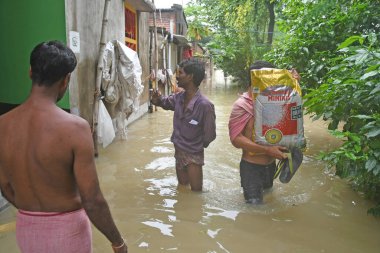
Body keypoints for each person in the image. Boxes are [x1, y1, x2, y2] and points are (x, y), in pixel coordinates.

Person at [0, 41, 127, 253]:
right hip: (68, 232)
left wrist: (34, 214)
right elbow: (92, 199)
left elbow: (5, 187)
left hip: (26, 229)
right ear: (66, 80)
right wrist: (117, 242)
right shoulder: (76, 128)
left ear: (30, 72)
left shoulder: (3, 125)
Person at [228, 60, 300, 204]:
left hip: (271, 165)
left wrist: (294, 84)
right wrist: (267, 150)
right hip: (251, 168)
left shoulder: (274, 101)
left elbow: (293, 119)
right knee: (254, 209)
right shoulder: (242, 105)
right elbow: (236, 139)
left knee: (268, 197)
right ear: (257, 79)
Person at [151, 58, 216, 191]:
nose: (177, 76)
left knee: (196, 194)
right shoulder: (179, 98)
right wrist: (156, 100)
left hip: (194, 155)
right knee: (182, 189)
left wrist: (196, 145)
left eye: (180, 73)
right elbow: (164, 102)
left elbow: (210, 135)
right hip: (179, 151)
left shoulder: (205, 105)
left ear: (191, 77)